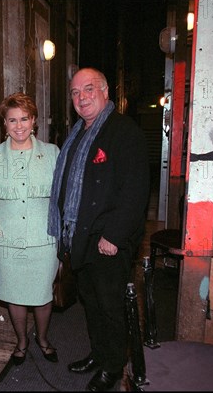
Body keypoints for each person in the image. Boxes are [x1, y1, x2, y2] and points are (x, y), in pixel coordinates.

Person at [47, 67, 150, 391]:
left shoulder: (124, 132)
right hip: (83, 238)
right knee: (91, 303)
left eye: (88, 89)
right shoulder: (78, 132)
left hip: (107, 242)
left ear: (105, 92)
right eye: (75, 93)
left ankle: (114, 366)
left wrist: (114, 237)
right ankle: (99, 353)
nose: (81, 98)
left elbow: (134, 192)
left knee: (110, 307)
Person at [0, 92, 60, 366]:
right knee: (14, 294)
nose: (19, 126)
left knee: (42, 294)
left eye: (24, 119)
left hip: (44, 239)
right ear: (4, 123)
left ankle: (43, 339)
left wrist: (64, 235)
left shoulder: (52, 153)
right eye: (12, 120)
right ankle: (21, 341)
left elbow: (61, 198)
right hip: (6, 239)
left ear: (34, 120)